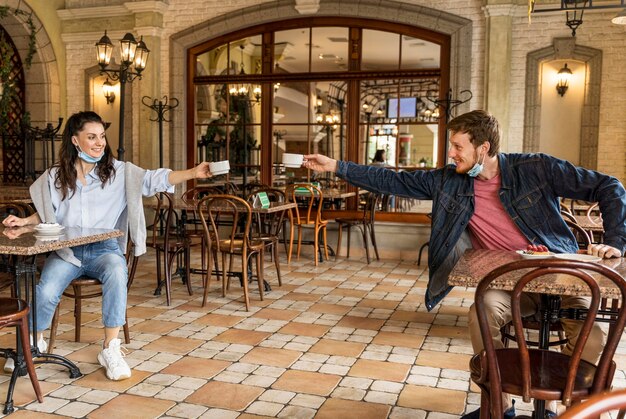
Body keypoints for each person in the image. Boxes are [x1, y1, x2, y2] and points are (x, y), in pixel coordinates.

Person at [303, 110, 626, 418]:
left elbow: (609, 186)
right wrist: (335, 165)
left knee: (592, 328)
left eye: (458, 146)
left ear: (483, 148)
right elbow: (393, 180)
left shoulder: (536, 167)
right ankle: (500, 403)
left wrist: (614, 241)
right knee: (482, 313)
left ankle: (564, 402)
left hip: (558, 273)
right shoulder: (448, 180)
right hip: (503, 281)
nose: (452, 154)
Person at [2, 111, 214, 380]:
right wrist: (24, 222)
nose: (99, 142)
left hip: (105, 250)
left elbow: (155, 178)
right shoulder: (57, 176)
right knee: (46, 288)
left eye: (101, 136)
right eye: (91, 137)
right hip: (67, 252)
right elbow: (47, 213)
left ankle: (110, 348)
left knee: (116, 272)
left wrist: (194, 172)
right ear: (75, 141)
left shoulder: (119, 172)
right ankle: (35, 343)